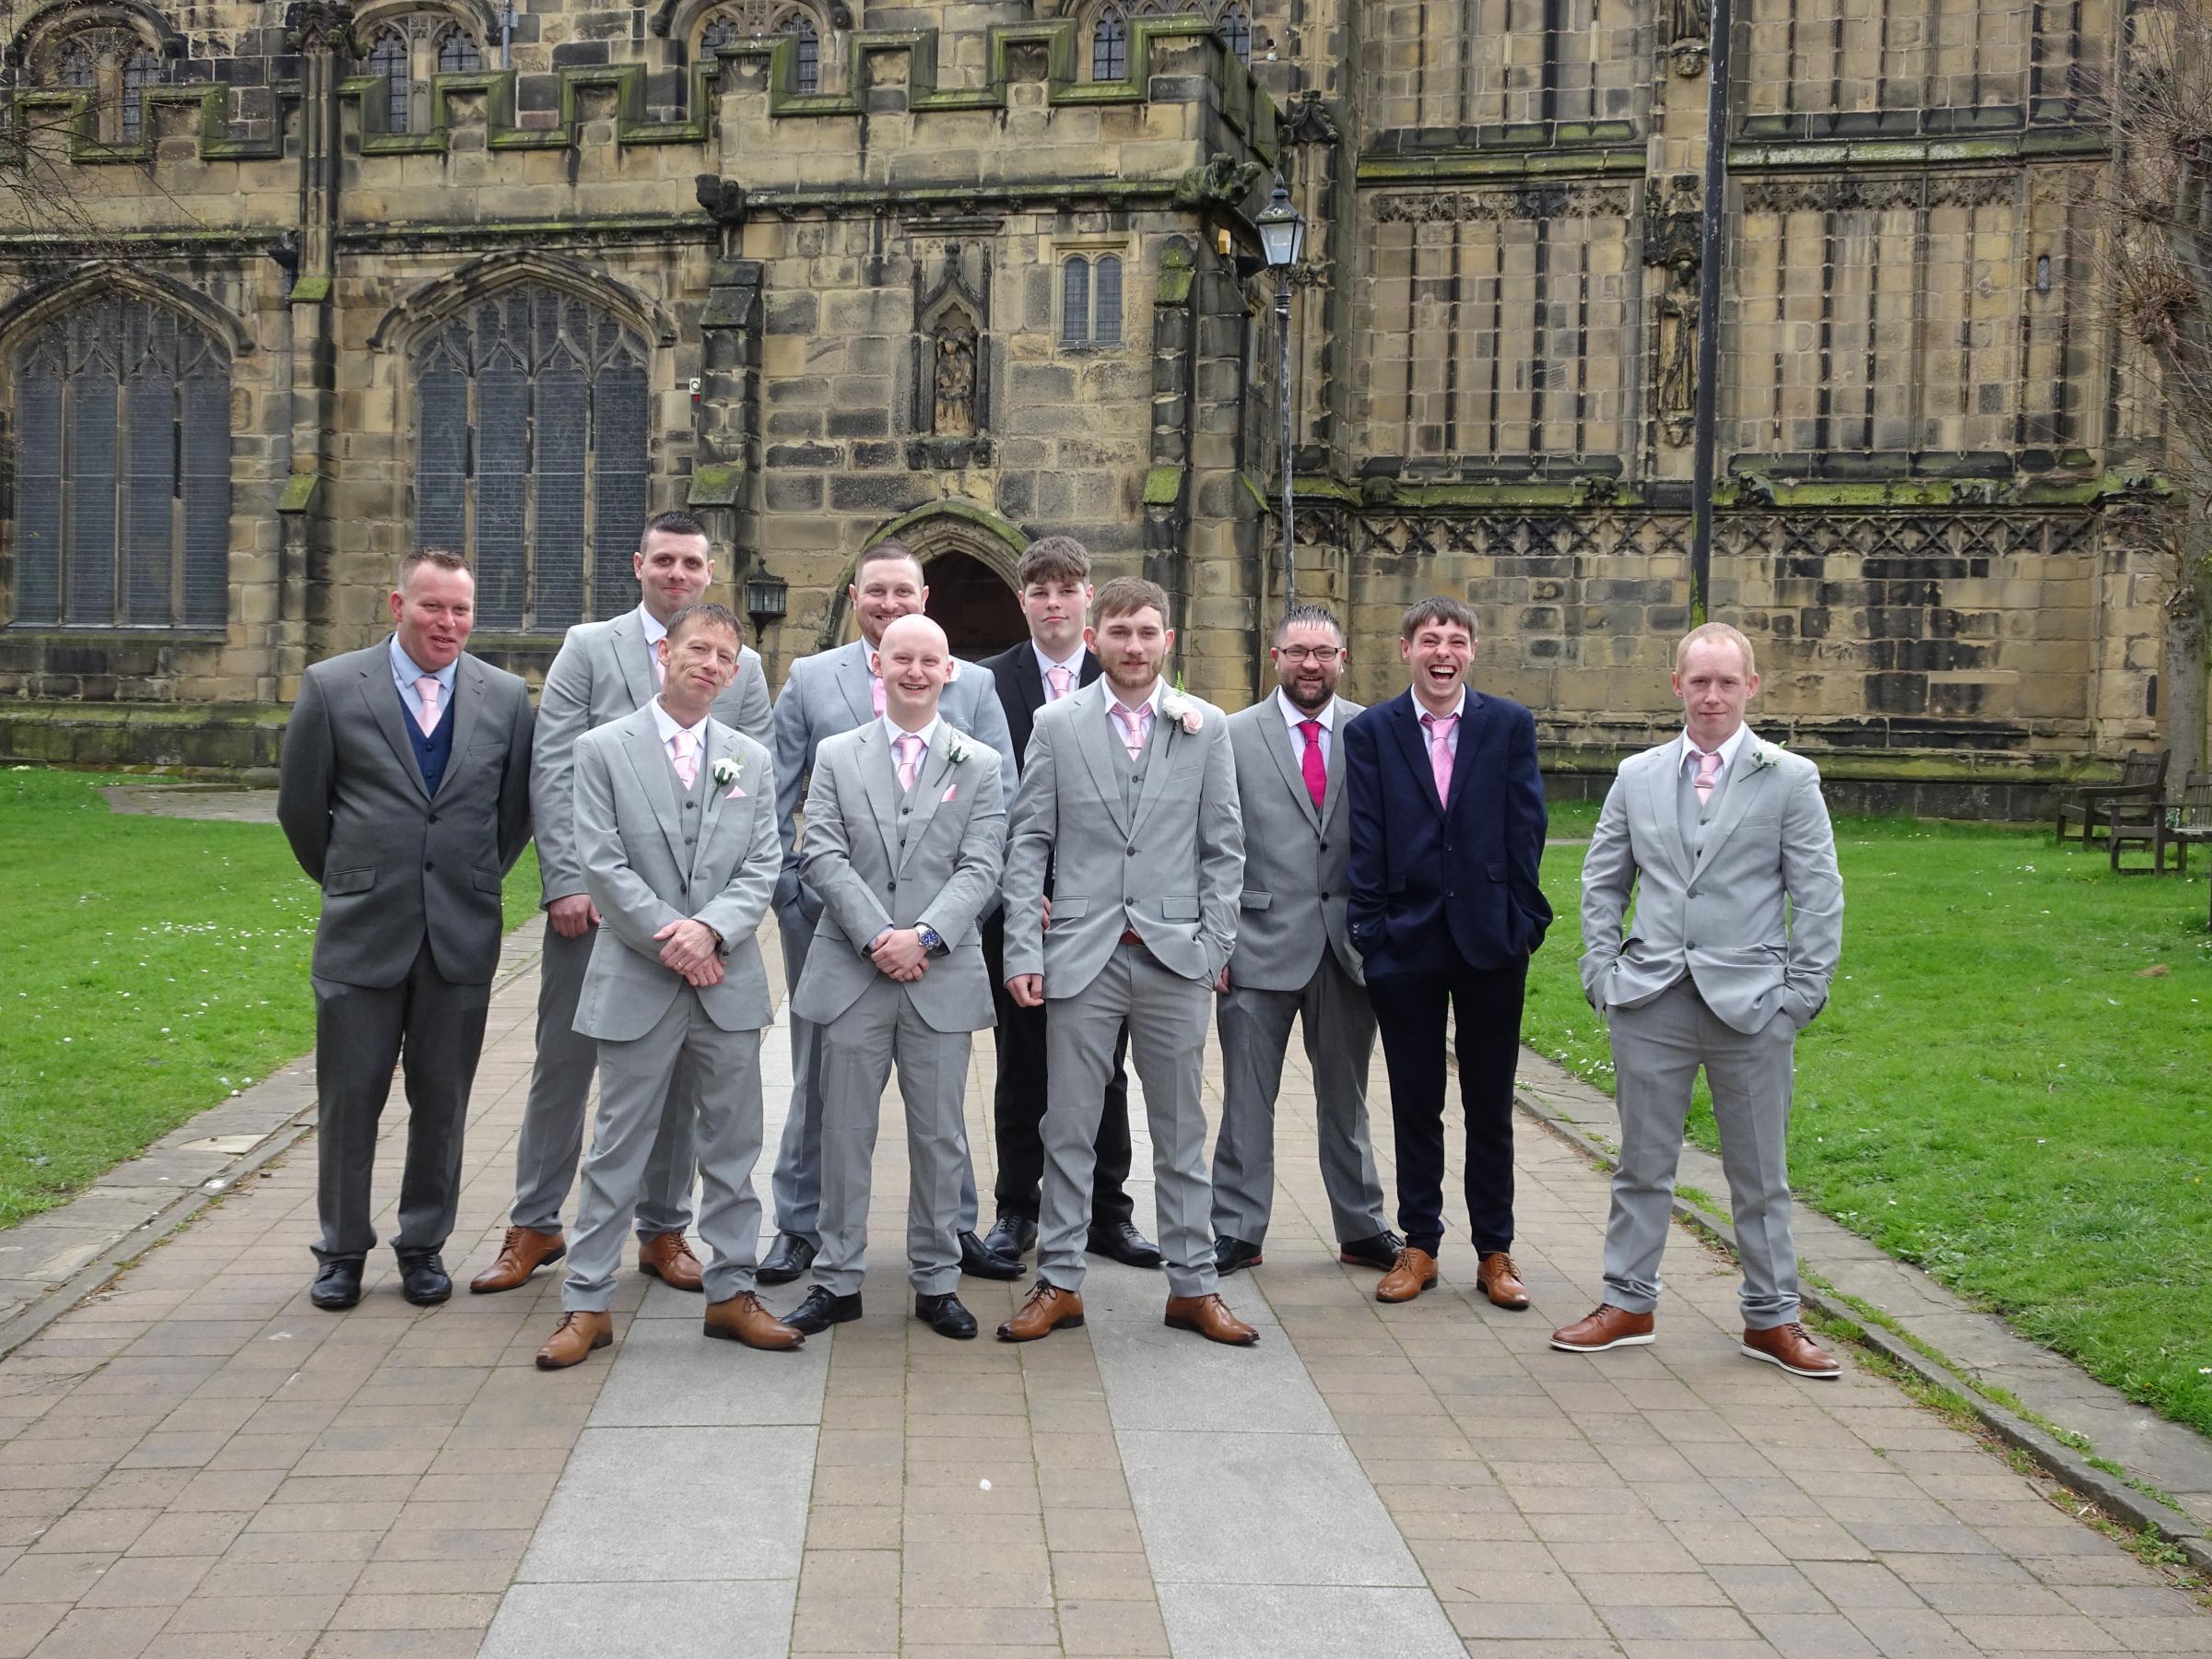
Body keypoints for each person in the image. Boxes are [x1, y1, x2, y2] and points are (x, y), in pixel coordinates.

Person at [473, 509, 774, 1298]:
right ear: (637, 563)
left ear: (709, 573)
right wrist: (568, 881)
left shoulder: (742, 670)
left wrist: (709, 926)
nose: (678, 575)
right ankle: (536, 1220)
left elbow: (753, 785)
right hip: (599, 905)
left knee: (678, 1073)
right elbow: (557, 768)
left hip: (701, 926)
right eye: (664, 561)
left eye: (692, 565)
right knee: (565, 1062)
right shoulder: (587, 648)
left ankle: (664, 1227)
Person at [1552, 622, 1845, 1378]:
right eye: (1698, 680)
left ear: (1751, 687)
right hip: (1650, 999)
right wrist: (1602, 974)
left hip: (1753, 1006)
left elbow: (1818, 897)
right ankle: (1628, 1302)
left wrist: (1799, 997)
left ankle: (1772, 1318)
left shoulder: (1789, 778)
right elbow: (1602, 882)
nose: (1711, 695)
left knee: (1760, 1174)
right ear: (1676, 685)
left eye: (1726, 681)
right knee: (1641, 1166)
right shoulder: (1638, 774)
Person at [534, 603, 802, 1369]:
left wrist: (710, 930)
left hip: (727, 980)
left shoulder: (749, 757)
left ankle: (732, 1293)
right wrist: (676, 940)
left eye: (725, 655)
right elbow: (601, 863)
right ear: (666, 656)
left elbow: (764, 862)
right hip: (637, 977)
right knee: (618, 1146)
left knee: (733, 1145)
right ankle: (586, 1302)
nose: (710, 664)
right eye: (697, 649)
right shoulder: (601, 750)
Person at [997, 577, 1256, 1346]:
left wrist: (1214, 944)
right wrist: (1022, 946)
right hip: (1082, 954)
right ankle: (1062, 1280)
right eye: (1119, 632)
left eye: (1147, 632)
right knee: (1069, 1125)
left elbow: (1225, 847)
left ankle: (1193, 1286)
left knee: (1180, 1130)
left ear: (1167, 640)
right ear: (1095, 638)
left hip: (1176, 956)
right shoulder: (1056, 723)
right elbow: (1029, 844)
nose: (1133, 647)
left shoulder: (1205, 726)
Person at [276, 547, 534, 1312]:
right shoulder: (331, 687)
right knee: (350, 1099)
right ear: (397, 606)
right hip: (363, 932)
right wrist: (353, 877)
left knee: (443, 1101)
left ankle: (423, 1246)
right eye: (432, 607)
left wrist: (468, 879)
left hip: (460, 932)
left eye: (460, 610)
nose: (447, 623)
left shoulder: (505, 696)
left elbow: (511, 816)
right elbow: (301, 809)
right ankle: (342, 1251)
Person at [762, 541, 1022, 1287]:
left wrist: (940, 931)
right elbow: (785, 796)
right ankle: (802, 1227)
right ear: (855, 598)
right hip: (830, 927)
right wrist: (795, 897)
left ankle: (951, 1233)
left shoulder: (970, 685)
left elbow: (999, 821)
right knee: (825, 1094)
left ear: (925, 597)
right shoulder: (811, 679)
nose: (889, 605)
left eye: (902, 592)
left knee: (940, 1106)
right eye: (875, 592)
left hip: (940, 940)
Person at [1343, 596, 1551, 1309]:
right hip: (1405, 942)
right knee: (1414, 1101)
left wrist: (1526, 919)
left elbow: (1528, 827)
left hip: (1493, 939)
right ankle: (1420, 1245)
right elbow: (1364, 834)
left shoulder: (1509, 725)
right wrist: (1370, 930)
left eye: (1456, 641)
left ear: (1472, 651)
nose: (1443, 653)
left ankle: (1495, 1250)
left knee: (1490, 1103)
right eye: (1430, 639)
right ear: (1406, 648)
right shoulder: (1373, 730)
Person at [974, 537, 1159, 1271]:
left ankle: (1107, 1211)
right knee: (1022, 1064)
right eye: (1040, 590)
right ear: (1023, 602)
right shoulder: (986, 683)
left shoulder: (1116, 675)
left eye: (1067, 588)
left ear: (1088, 601)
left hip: (1104, 913)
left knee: (1105, 1066)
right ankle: (1017, 1207)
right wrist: (1023, 896)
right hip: (1021, 908)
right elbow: (986, 803)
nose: (1054, 601)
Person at [1211, 605, 1396, 1277]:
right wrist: (1217, 940)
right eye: (1297, 652)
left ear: (1343, 658)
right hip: (1256, 943)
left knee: (1346, 1100)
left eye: (1323, 653)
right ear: (1275, 656)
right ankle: (1236, 1228)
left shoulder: (1374, 732)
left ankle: (1362, 1225)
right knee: (1245, 1100)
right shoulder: (1229, 736)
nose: (1310, 664)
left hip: (1348, 951)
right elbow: (1211, 843)